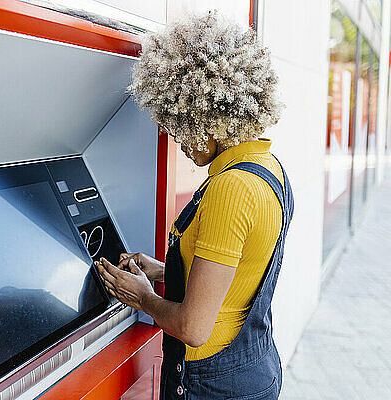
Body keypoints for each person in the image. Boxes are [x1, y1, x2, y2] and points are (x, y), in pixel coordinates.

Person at [96, 12, 294, 400]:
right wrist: (160, 270)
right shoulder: (269, 168)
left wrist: (142, 296)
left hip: (211, 384)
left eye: (182, 127)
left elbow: (192, 327)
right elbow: (237, 276)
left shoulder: (230, 188)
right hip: (252, 367)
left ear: (208, 115)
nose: (179, 143)